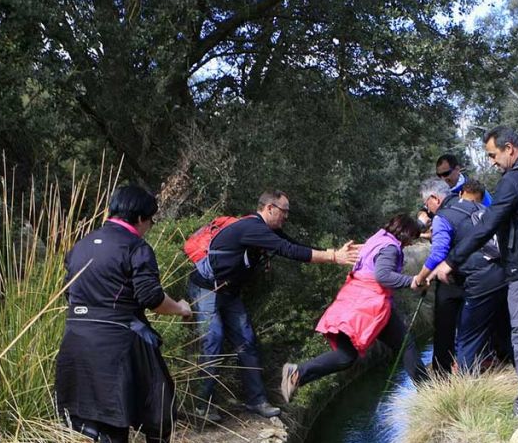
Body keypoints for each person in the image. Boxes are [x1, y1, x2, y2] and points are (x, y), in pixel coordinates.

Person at [55, 185, 192, 443]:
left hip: (78, 343)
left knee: (108, 421)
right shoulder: (136, 247)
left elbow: (69, 293)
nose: (150, 227)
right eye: (151, 220)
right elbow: (150, 297)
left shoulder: (82, 245)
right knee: (160, 405)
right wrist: (181, 309)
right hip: (119, 341)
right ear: (142, 218)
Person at [430, 126, 518, 418]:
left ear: (509, 149)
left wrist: (452, 260)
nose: (492, 162)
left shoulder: (514, 180)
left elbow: (487, 225)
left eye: (493, 155)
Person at [187, 190, 359, 421]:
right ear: (269, 208)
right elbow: (288, 251)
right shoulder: (252, 228)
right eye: (284, 212)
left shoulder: (268, 230)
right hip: (206, 289)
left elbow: (293, 245)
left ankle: (256, 401)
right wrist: (333, 258)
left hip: (229, 292)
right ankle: (201, 405)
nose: (286, 217)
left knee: (247, 341)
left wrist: (332, 253)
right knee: (213, 340)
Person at [280, 214, 426, 400]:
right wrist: (413, 281)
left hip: (351, 301)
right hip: (369, 307)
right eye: (411, 238)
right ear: (405, 234)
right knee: (406, 344)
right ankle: (428, 390)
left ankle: (297, 374)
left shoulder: (378, 238)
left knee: (346, 356)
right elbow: (383, 276)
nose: (411, 244)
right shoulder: (390, 248)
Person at [452, 180, 513, 372]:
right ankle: (512, 364)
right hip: (504, 276)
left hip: (480, 281)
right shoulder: (487, 211)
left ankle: (466, 379)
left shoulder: (456, 215)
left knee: (468, 334)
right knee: (504, 326)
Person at [412, 177, 466, 375]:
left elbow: (438, 253)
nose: (428, 209)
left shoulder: (442, 216)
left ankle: (442, 374)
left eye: (427, 204)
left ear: (434, 198)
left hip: (452, 278)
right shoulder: (470, 206)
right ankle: (465, 367)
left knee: (444, 328)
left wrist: (421, 277)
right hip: (480, 277)